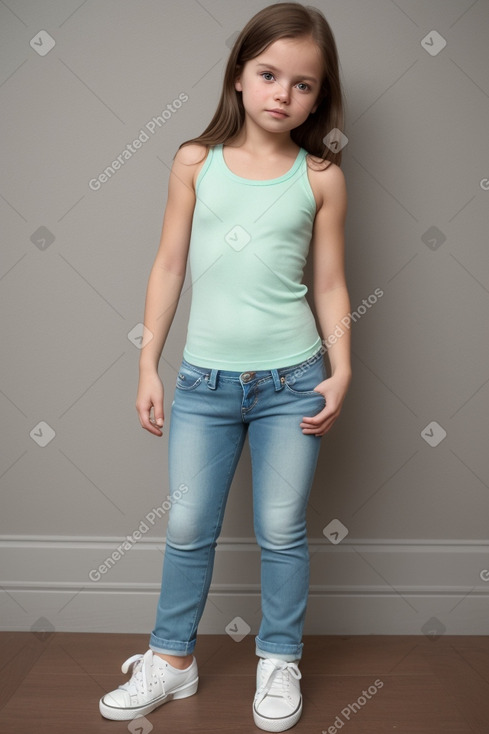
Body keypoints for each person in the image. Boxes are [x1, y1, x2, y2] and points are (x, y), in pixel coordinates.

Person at [99, 2, 351, 730]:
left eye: (303, 84)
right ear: (238, 76)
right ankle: (172, 662)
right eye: (269, 74)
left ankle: (278, 659)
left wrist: (342, 371)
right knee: (186, 526)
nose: (283, 94)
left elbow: (332, 282)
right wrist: (147, 362)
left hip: (292, 383)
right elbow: (169, 265)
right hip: (205, 385)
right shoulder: (193, 162)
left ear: (318, 95)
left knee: (280, 528)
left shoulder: (320, 176)